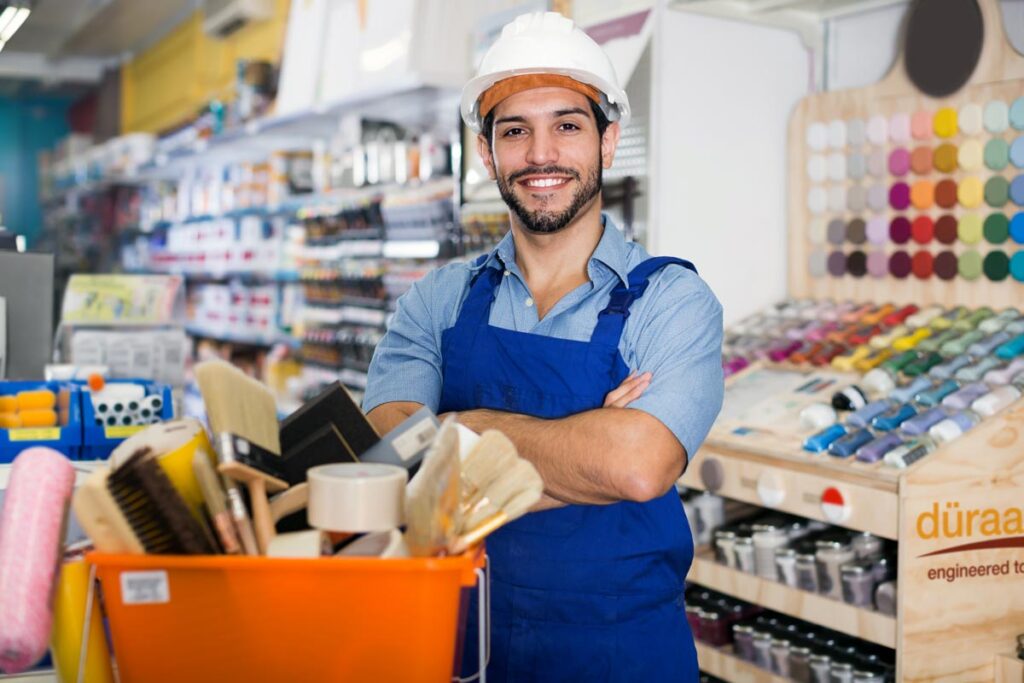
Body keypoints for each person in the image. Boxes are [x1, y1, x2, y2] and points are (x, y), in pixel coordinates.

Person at [363, 11, 724, 681]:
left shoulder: (672, 301)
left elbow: (638, 467)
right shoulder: (436, 300)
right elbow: (393, 462)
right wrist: (586, 451)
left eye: (566, 125)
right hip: (459, 649)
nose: (540, 155)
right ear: (486, 153)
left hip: (621, 658)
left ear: (607, 141)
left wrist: (461, 426)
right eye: (514, 130)